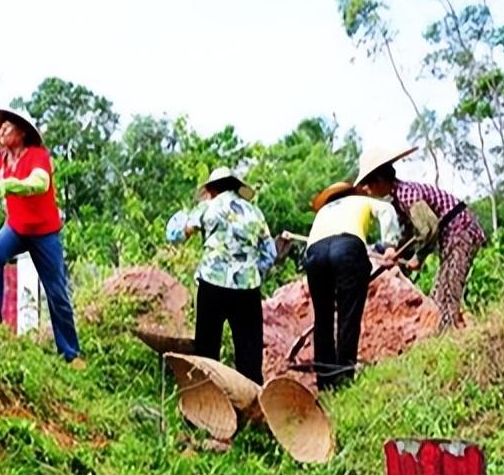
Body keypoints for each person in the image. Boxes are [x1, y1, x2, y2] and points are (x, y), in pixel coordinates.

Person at [0, 109, 83, 367]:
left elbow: (40, 183)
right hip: (15, 227)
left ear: (23, 132)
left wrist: (8, 184)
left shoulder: (38, 156)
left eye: (8, 126)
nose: (2, 130)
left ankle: (70, 354)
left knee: (56, 290)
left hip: (45, 232)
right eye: (0, 126)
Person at [355, 147, 487, 330]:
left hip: (460, 231)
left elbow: (429, 228)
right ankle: (447, 334)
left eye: (368, 184)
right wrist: (394, 256)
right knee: (439, 295)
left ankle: (450, 337)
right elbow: (408, 235)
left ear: (379, 180)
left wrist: (419, 258)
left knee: (448, 293)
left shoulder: (406, 194)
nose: (366, 189)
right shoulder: (398, 200)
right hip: (451, 236)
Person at [167, 167, 276, 385]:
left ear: (212, 189)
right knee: (249, 354)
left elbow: (177, 236)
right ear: (237, 187)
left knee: (207, 349)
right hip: (247, 290)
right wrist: (251, 273)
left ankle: (207, 401)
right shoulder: (255, 213)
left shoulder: (206, 208)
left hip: (212, 285)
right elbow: (270, 254)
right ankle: (252, 405)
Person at [301, 181, 402, 390]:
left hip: (314, 254)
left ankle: (326, 383)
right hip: (347, 249)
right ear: (350, 192)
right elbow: (387, 210)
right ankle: (344, 379)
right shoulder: (359, 200)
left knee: (323, 320)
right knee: (348, 316)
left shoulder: (322, 213)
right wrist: (391, 246)